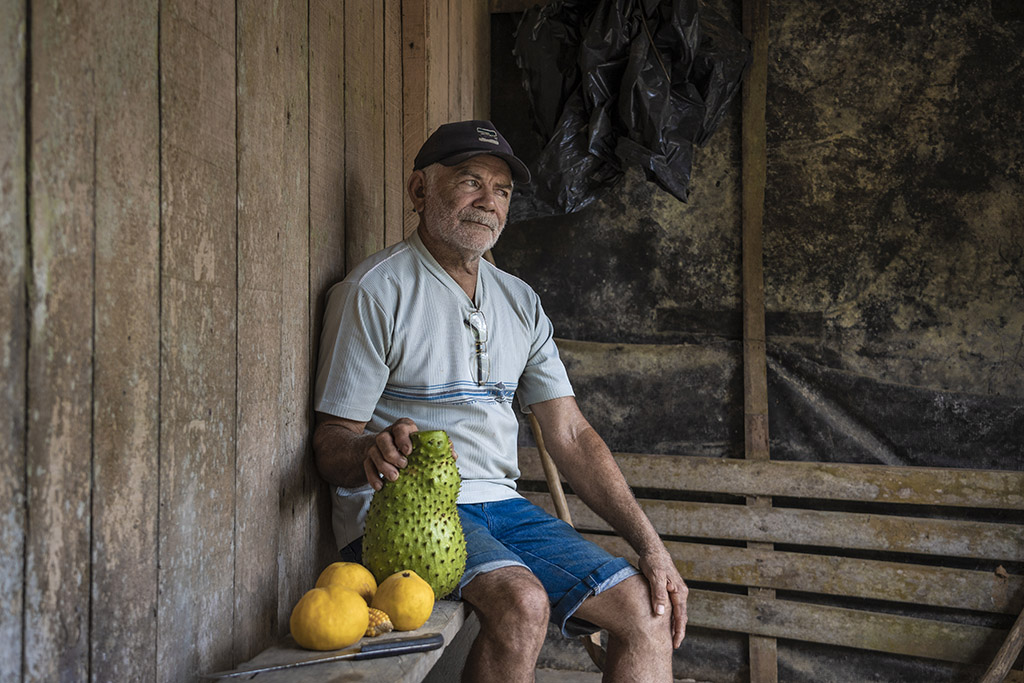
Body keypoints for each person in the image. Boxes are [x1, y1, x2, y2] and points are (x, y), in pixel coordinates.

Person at [312, 120, 687, 682]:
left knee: (645, 610)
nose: (489, 202)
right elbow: (329, 443)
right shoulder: (375, 291)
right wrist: (370, 449)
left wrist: (651, 547)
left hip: (502, 508)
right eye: (470, 182)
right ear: (420, 192)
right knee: (524, 602)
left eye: (503, 190)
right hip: (405, 514)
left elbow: (572, 436)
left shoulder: (520, 302)